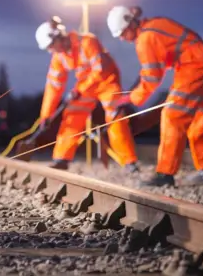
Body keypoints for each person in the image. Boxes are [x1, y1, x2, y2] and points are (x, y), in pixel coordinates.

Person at [106, 6, 203, 186]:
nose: (122, 38)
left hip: (192, 65)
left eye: (122, 34)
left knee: (172, 115)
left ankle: (165, 174)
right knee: (198, 117)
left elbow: (152, 77)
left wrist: (131, 99)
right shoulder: (153, 25)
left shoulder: (145, 38)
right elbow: (164, 59)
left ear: (130, 25)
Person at [35, 16, 139, 172]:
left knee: (115, 117)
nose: (51, 50)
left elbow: (99, 70)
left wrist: (79, 90)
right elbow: (53, 86)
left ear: (59, 36)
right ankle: (61, 159)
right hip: (85, 87)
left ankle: (129, 162)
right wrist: (46, 115)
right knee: (72, 115)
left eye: (51, 46)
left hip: (107, 82)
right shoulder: (59, 57)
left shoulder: (88, 42)